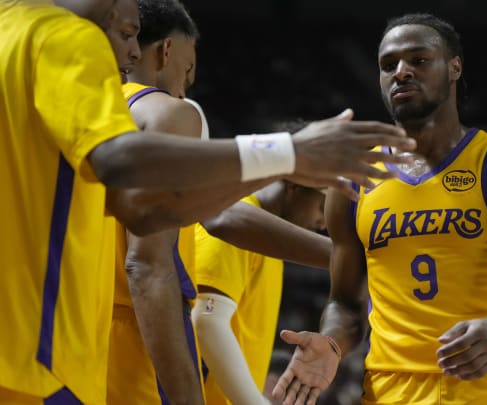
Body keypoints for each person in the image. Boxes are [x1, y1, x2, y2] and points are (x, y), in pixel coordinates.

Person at [0, 0, 415, 402]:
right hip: (65, 345)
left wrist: (345, 252)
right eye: (125, 31)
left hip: (63, 339)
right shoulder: (157, 103)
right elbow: (150, 258)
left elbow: (152, 210)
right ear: (168, 52)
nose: (128, 47)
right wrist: (287, 152)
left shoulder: (14, 34)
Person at [272, 13, 487, 405]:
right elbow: (345, 304)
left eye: (418, 60)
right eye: (389, 65)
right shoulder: (353, 179)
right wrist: (331, 344)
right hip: (390, 390)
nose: (401, 72)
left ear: (454, 66)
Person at [106, 1, 205, 404]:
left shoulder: (79, 107)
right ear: (166, 52)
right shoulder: (169, 114)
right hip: (138, 331)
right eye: (187, 70)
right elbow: (146, 266)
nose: (184, 89)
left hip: (64, 327)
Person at [193, 179, 331, 405]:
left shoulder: (269, 243)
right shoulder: (238, 222)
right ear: (295, 185)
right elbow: (207, 320)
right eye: (322, 207)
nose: (323, 223)